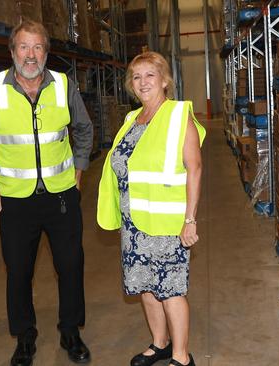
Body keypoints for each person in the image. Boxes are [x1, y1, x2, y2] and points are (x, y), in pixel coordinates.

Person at [0, 20, 93, 366]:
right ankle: (25, 336)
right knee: (18, 271)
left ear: (46, 52)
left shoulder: (64, 85)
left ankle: (70, 331)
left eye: (37, 48)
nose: (30, 55)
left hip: (62, 195)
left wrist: (78, 170)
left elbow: (83, 127)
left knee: (71, 264)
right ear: (12, 51)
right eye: (23, 47)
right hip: (14, 199)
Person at [96, 51, 205, 366]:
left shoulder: (177, 115)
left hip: (168, 223)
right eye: (136, 77)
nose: (142, 82)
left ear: (165, 80)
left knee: (170, 290)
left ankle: (182, 356)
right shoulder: (133, 119)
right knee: (145, 286)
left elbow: (194, 169)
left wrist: (190, 220)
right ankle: (160, 344)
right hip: (135, 223)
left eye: (149, 75)